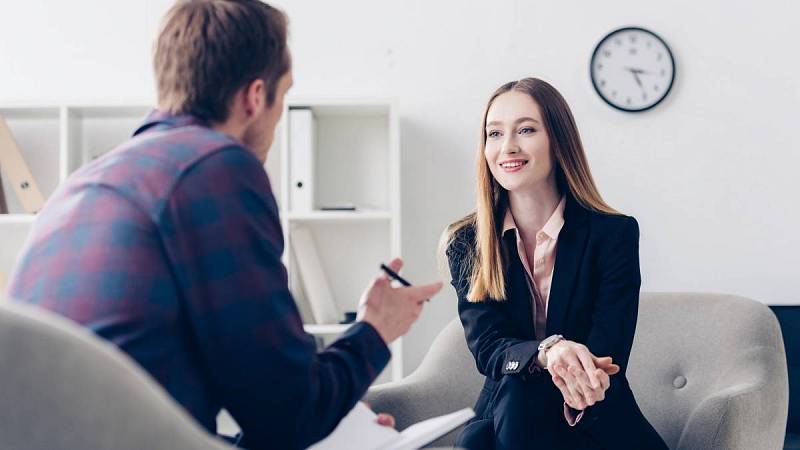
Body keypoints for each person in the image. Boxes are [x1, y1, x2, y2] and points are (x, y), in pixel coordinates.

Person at [5, 1, 442, 449]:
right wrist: (375, 328)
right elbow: (291, 415)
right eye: (283, 95)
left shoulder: (78, 186)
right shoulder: (215, 166)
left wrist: (334, 417)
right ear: (255, 97)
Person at [441, 78, 667, 450]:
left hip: (592, 410)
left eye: (526, 129)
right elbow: (489, 346)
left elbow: (607, 353)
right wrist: (548, 352)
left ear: (558, 140)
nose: (507, 147)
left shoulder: (614, 235)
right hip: (508, 411)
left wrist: (571, 371)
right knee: (514, 395)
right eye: (494, 134)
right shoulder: (467, 242)